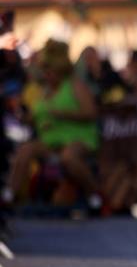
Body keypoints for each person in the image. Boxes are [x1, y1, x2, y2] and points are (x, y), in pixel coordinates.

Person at [3, 39, 102, 209]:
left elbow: (91, 113)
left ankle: (94, 195)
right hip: (51, 139)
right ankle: (8, 196)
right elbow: (36, 116)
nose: (47, 76)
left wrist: (63, 115)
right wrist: (24, 117)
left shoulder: (75, 86)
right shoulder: (44, 91)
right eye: (45, 72)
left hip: (78, 138)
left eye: (51, 72)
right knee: (26, 150)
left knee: (69, 158)